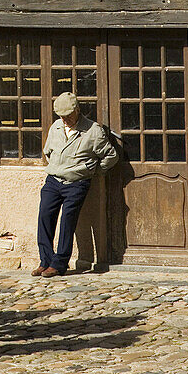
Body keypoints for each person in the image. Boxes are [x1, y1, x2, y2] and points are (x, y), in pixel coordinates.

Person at [33, 92, 118, 279]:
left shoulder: (93, 131)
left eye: (68, 115)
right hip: (53, 180)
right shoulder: (56, 127)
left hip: (77, 183)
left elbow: (111, 156)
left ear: (78, 110)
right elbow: (48, 151)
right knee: (45, 217)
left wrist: (93, 171)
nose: (65, 120)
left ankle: (59, 264)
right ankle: (45, 261)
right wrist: (56, 165)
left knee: (67, 221)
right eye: (62, 116)